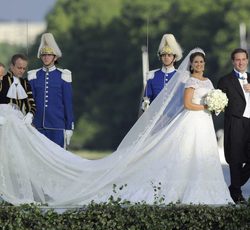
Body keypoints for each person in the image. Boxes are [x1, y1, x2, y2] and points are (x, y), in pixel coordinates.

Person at [0, 48, 234, 206]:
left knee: (202, 157)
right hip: (192, 120)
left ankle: (207, 191)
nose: (199, 65)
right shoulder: (186, 80)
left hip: (204, 124)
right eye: (196, 62)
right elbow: (183, 103)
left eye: (201, 62)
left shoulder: (209, 80)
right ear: (191, 65)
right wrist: (205, 105)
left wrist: (215, 106)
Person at [28, 33, 74, 148]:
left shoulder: (63, 76)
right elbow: (30, 101)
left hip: (57, 127)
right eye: (44, 55)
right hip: (37, 127)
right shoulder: (33, 76)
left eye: (49, 55)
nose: (46, 57)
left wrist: (69, 127)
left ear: (55, 57)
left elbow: (68, 104)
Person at [217, 48, 250, 204]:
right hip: (235, 123)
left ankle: (234, 188)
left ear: (247, 60)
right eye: (238, 59)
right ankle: (237, 194)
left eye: (243, 59)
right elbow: (219, 103)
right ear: (233, 61)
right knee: (235, 159)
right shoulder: (225, 81)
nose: (241, 62)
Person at [142, 33, 182, 110]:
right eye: (163, 55)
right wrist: (145, 105)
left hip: (175, 118)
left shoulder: (181, 76)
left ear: (174, 57)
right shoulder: (152, 76)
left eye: (169, 55)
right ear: (160, 57)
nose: (166, 57)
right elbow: (146, 99)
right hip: (155, 118)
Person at [0, 54, 36, 123]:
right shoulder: (2, 80)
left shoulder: (25, 83)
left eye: (24, 68)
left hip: (19, 121)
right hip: (3, 122)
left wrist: (30, 114)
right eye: (19, 68)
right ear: (12, 66)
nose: (22, 71)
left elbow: (32, 105)